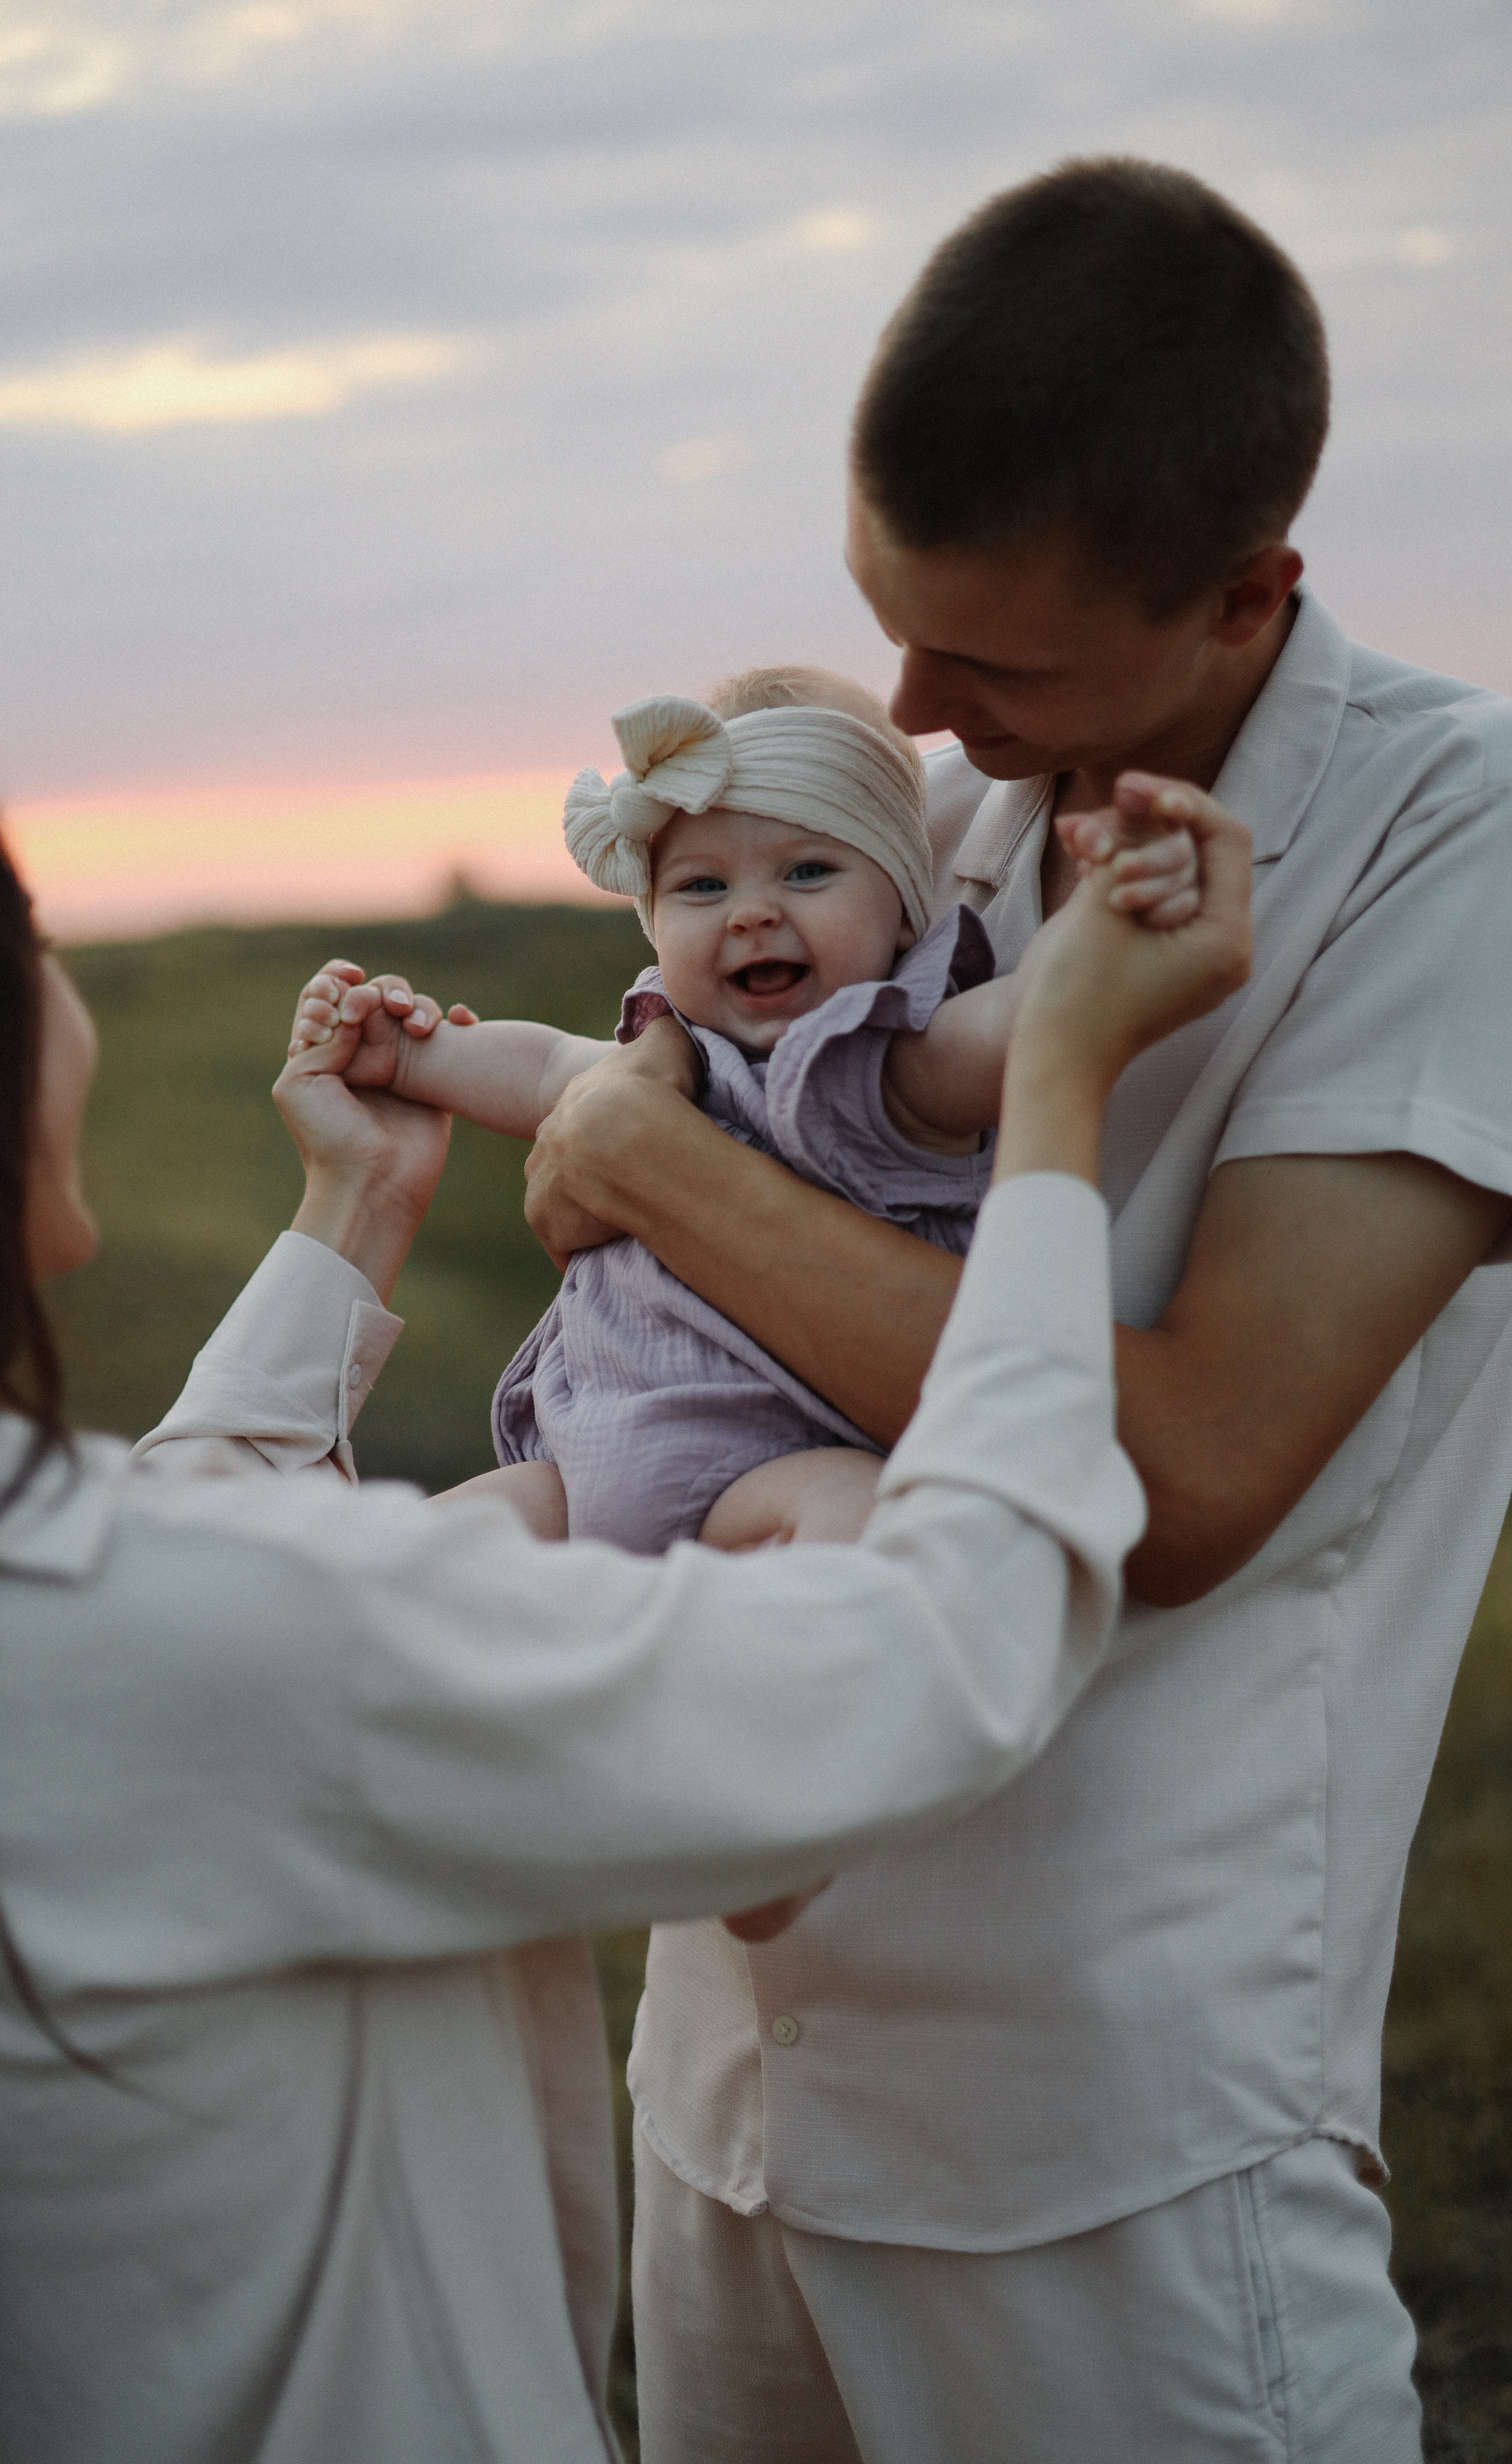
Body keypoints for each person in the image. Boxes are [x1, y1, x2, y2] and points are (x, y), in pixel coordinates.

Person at [0, 721, 1246, 2463]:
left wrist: (357, 1204)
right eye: (41, 950)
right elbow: (936, 1660)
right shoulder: (224, 1639)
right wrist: (1057, 1090)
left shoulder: (18, 1607)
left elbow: (167, 1563)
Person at [511, 162, 1512, 2462]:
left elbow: (1176, 1472)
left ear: (1251, 588)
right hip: (735, 2059)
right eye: (893, 626)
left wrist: (652, 1152)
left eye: (995, 661)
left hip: (1109, 2115)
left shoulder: (1460, 837)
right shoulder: (944, 808)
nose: (917, 717)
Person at [284, 667, 1196, 1565]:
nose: (753, 913)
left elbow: (1029, 1018)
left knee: (860, 1520)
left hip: (780, 1468)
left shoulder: (889, 1055)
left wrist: (1116, 918)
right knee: (393, 1571)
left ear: (902, 905)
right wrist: (407, 1052)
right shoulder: (664, 1057)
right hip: (581, 1472)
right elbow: (539, 1068)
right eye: (703, 888)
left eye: (807, 872)